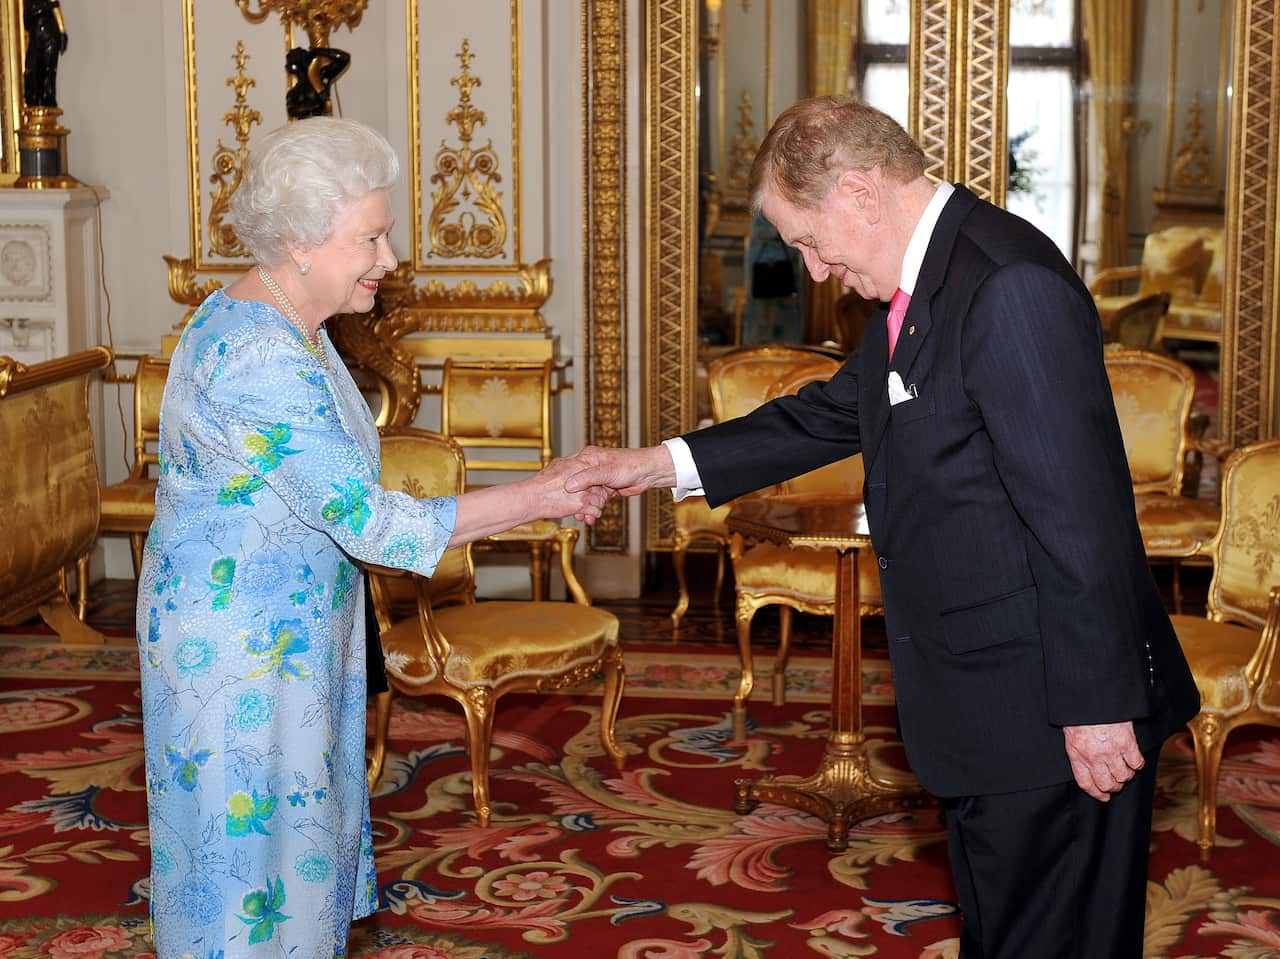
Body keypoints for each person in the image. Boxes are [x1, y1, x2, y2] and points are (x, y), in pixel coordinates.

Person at [565, 96, 1199, 958]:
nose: (815, 270)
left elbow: (1079, 517)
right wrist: (652, 465)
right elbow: (831, 412)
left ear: (859, 191)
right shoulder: (933, 280)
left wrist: (1095, 710)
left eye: (807, 240)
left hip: (1051, 715)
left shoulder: (1005, 285)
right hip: (991, 710)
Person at [136, 117, 607, 958]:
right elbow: (375, 520)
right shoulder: (259, 355)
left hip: (281, 639)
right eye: (372, 236)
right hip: (238, 659)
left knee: (290, 864)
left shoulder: (292, 327)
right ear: (302, 241)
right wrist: (542, 492)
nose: (388, 259)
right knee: (249, 882)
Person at [22, 0, 68, 108]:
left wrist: (62, 31)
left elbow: (54, 4)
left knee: (47, 72)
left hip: (47, 29)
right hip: (34, 30)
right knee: (33, 70)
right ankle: (36, 101)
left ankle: (45, 102)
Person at [285, 45, 351, 120]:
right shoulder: (293, 92)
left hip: (322, 124)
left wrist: (317, 51)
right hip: (304, 126)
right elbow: (292, 111)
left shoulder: (322, 76)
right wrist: (313, 106)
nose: (287, 66)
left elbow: (344, 57)